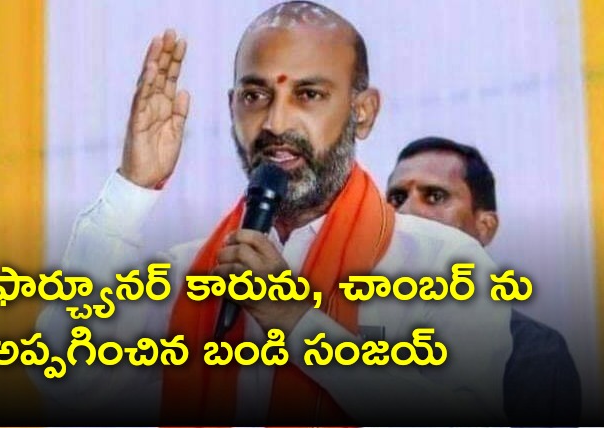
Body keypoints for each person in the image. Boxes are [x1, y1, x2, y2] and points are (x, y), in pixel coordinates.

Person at [33, 2, 512, 426]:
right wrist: (132, 189)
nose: (276, 122)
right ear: (232, 108)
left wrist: (296, 321)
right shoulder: (187, 272)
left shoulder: (444, 263)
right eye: (255, 96)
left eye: (309, 94)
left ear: (363, 112)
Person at [386, 136, 582, 426]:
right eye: (397, 198)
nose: (406, 212)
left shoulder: (535, 354)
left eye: (435, 196)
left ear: (485, 227)